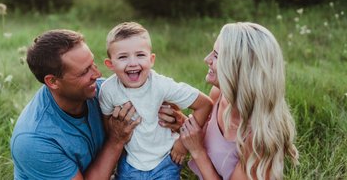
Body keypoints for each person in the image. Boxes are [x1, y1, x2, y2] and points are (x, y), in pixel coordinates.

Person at [10, 29, 141, 180]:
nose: (97, 75)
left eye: (93, 64)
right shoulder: (33, 140)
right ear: (53, 81)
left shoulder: (101, 92)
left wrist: (171, 118)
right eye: (84, 72)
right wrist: (115, 140)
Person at [177, 22, 299, 180]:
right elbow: (206, 139)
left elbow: (200, 147)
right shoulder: (219, 94)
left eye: (216, 55)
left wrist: (198, 152)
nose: (206, 59)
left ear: (238, 68)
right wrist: (181, 123)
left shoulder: (258, 138)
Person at [99, 22, 213, 180]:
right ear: (110, 64)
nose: (133, 63)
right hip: (129, 162)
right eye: (123, 57)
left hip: (165, 159)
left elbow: (204, 104)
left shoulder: (162, 85)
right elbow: (107, 120)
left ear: (151, 60)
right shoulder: (108, 90)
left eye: (140, 55)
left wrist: (181, 143)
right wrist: (117, 148)